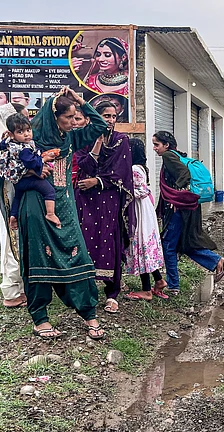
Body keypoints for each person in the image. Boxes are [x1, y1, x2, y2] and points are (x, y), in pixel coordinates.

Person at [17, 86, 109, 340]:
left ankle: (90, 314)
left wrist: (81, 101)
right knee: (38, 258)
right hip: (36, 205)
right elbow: (9, 166)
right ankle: (40, 319)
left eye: (74, 116)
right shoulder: (31, 138)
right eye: (68, 117)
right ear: (54, 116)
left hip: (65, 207)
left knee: (77, 255)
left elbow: (99, 124)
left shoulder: (71, 138)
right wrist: (30, 171)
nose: (73, 121)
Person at [74, 101, 136, 315]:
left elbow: (121, 173)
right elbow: (83, 166)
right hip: (85, 199)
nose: (109, 120)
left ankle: (112, 294)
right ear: (94, 118)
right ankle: (86, 291)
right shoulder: (83, 139)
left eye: (112, 116)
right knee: (85, 240)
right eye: (105, 116)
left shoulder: (121, 141)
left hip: (109, 199)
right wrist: (97, 143)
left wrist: (97, 181)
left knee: (110, 241)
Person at [153, 130, 224, 294]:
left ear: (166, 145)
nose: (154, 148)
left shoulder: (168, 156)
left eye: (156, 144)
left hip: (180, 208)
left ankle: (173, 285)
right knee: (184, 243)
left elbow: (184, 174)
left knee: (168, 245)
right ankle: (217, 261)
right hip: (188, 207)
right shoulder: (178, 155)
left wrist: (177, 198)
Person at [0, 102, 29, 308]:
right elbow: (10, 170)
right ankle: (11, 291)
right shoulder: (0, 142)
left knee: (19, 239)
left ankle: (20, 288)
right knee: (11, 239)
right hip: (10, 197)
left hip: (16, 195)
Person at [0, 113, 61, 230]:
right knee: (49, 191)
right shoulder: (23, 149)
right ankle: (50, 214)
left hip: (18, 181)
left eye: (28, 130)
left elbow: (2, 146)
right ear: (12, 134)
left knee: (18, 196)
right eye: (20, 132)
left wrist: (6, 138)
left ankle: (13, 216)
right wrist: (44, 159)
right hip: (28, 178)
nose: (26, 134)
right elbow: (32, 163)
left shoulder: (10, 143)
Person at [124, 137, 168, 301]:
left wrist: (123, 191)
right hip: (145, 209)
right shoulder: (142, 167)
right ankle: (158, 280)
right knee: (146, 247)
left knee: (140, 244)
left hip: (139, 211)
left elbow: (141, 191)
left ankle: (146, 290)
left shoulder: (134, 168)